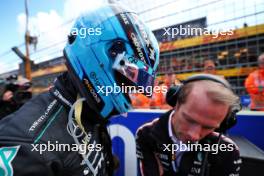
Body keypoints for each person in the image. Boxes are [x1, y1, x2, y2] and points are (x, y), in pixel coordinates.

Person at [0, 4, 159, 176]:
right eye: (129, 79)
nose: (130, 91)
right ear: (104, 55)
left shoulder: (87, 112)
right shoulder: (27, 146)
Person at [136, 74, 242, 176]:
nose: (194, 135)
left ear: (224, 123)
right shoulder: (145, 134)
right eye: (189, 120)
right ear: (176, 104)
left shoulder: (228, 150)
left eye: (208, 127)